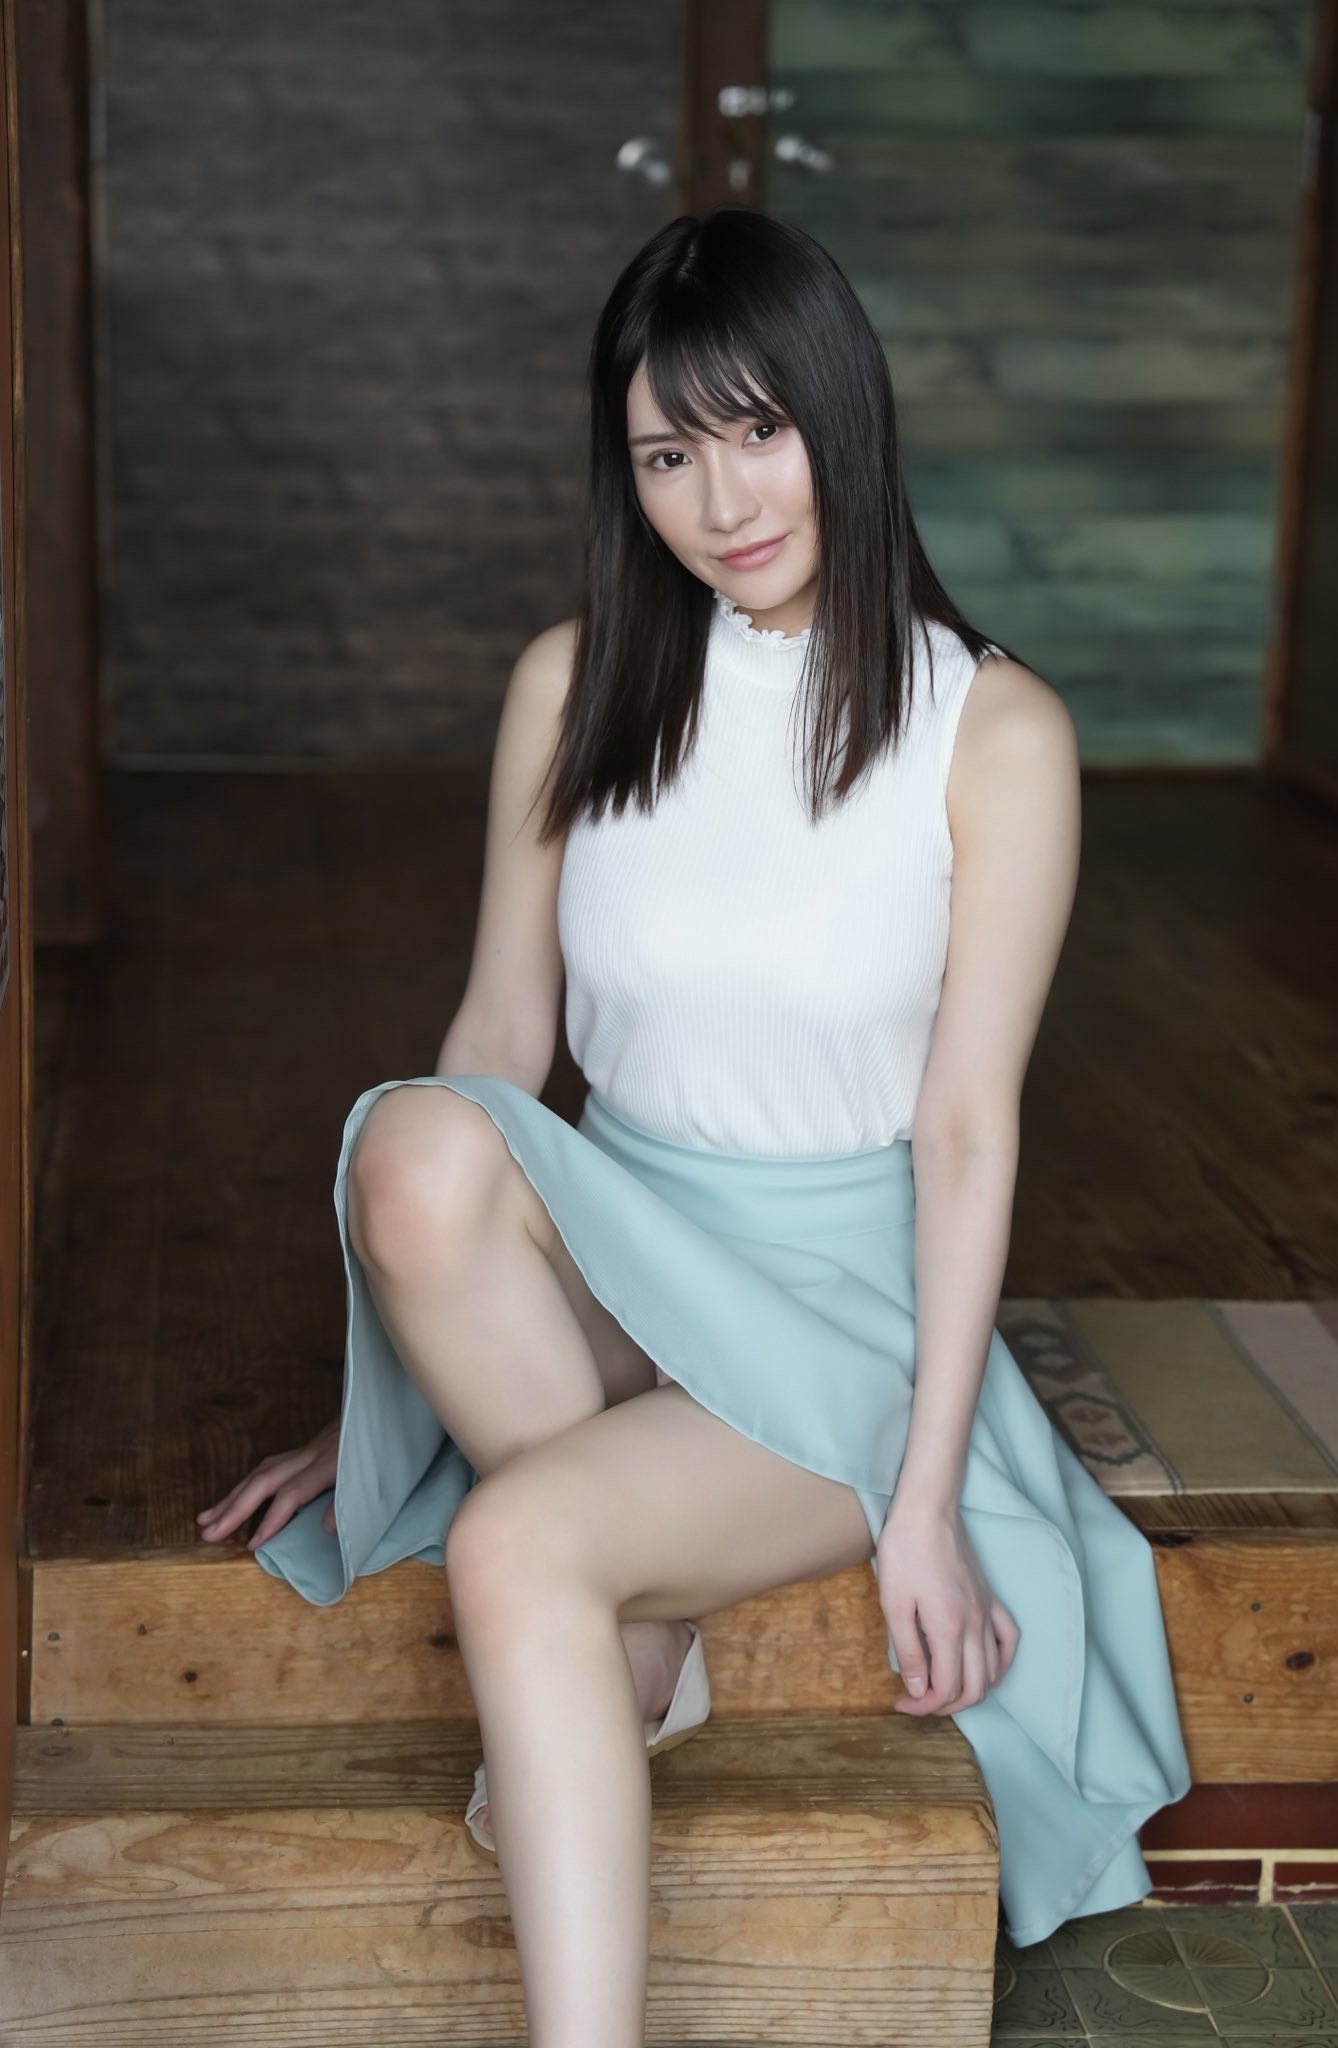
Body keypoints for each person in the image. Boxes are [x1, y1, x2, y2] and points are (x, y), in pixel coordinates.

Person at [196, 208, 1190, 2037]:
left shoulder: (991, 732)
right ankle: (628, 1610)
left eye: (758, 430)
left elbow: (966, 1135)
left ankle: (616, 1634)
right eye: (667, 453)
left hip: (839, 1309)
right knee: (410, 1142)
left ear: (841, 417)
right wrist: (399, 1381)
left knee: (516, 1545)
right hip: (625, 1245)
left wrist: (922, 1506)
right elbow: (500, 1042)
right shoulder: (572, 684)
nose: (721, 499)